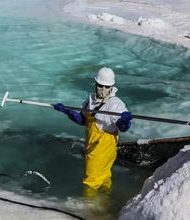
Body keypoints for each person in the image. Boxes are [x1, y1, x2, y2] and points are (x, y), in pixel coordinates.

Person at [54, 67, 132, 197]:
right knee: (104, 178)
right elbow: (83, 120)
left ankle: (90, 208)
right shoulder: (90, 100)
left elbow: (122, 127)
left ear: (112, 87)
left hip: (103, 149)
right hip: (92, 145)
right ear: (95, 84)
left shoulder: (115, 105)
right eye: (100, 85)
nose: (103, 89)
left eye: (106, 87)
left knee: (90, 181)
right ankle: (105, 201)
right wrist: (67, 111)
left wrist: (125, 121)